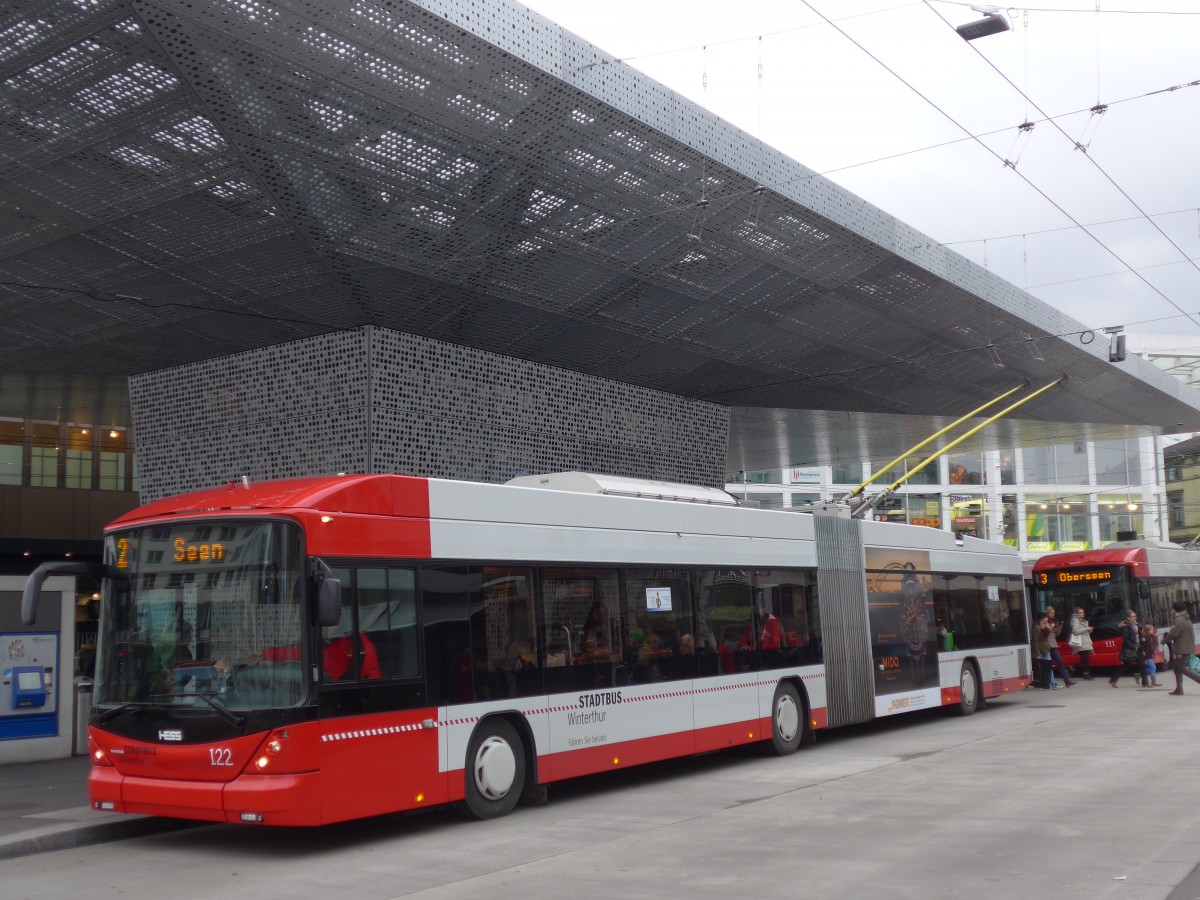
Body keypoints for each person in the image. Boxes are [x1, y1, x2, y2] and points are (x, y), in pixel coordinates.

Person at [1164, 600, 1194, 696]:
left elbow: (1173, 633)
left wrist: (1164, 640)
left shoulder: (1179, 620)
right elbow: (1192, 636)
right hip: (1186, 648)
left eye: (1172, 609)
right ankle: (1179, 689)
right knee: (1176, 669)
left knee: (1182, 669)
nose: (1171, 611)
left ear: (1175, 610)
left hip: (1181, 649)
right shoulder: (1187, 619)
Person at [1108, 609, 1141, 688]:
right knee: (1126, 665)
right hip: (1130, 649)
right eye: (1133, 616)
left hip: (1137, 647)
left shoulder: (1135, 625)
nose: (1135, 617)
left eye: (1135, 616)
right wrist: (1133, 647)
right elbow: (1126, 639)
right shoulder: (1126, 627)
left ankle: (1144, 681)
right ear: (1128, 618)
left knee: (1142, 663)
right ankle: (1113, 679)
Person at [1044, 606, 1074, 687]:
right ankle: (1050, 682)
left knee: (1060, 662)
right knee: (1048, 664)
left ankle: (1066, 679)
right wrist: (1052, 628)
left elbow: (1055, 635)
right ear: (1047, 613)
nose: (1053, 615)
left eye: (1054, 613)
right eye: (1051, 613)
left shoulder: (1054, 620)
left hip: (1053, 644)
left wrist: (1059, 629)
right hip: (1046, 645)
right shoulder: (1045, 620)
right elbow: (1046, 631)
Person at [1032, 612, 1060, 689]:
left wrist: (1051, 628)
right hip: (1040, 650)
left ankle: (1052, 683)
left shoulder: (1045, 627)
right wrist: (1037, 653)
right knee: (1044, 669)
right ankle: (1048, 683)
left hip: (1046, 649)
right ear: (1042, 619)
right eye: (1046, 618)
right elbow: (1035, 641)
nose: (1047, 619)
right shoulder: (1037, 628)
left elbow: (1052, 634)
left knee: (1049, 668)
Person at [1067, 607, 1095, 680]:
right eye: (1081, 612)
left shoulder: (1084, 621)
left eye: (1083, 612)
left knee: (1086, 659)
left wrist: (1089, 630)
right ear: (1077, 614)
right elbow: (1075, 631)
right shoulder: (1076, 621)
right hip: (1080, 642)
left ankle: (1074, 668)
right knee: (1086, 659)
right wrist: (1086, 629)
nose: (1083, 614)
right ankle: (1085, 673)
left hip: (1086, 641)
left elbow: (1085, 631)